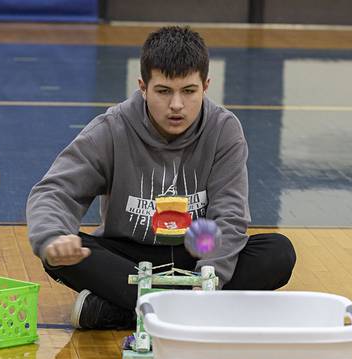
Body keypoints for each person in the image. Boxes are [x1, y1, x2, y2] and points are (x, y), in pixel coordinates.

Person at [26, 26, 296, 329]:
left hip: (196, 257)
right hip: (127, 260)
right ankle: (188, 311)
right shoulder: (112, 129)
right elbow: (55, 191)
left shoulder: (224, 130)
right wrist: (53, 237)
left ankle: (122, 311)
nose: (176, 105)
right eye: (164, 91)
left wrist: (209, 278)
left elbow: (230, 216)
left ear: (206, 85)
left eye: (189, 91)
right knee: (63, 253)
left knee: (278, 253)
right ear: (143, 86)